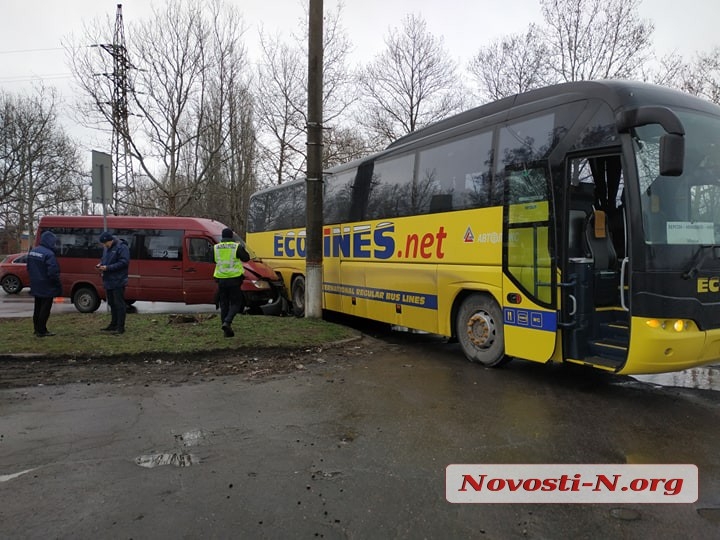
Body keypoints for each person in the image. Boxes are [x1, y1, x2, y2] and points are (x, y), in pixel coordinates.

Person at [213, 227, 250, 337]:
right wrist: (242, 247)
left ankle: (226, 331)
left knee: (223, 304)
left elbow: (213, 259)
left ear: (223, 236)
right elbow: (246, 258)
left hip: (221, 280)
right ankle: (227, 322)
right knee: (236, 303)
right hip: (234, 279)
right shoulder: (236, 247)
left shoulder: (216, 247)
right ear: (231, 236)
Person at [27, 230, 62, 337]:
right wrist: (57, 284)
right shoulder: (49, 254)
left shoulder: (33, 251)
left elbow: (28, 268)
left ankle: (36, 328)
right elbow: (53, 272)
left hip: (35, 284)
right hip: (47, 285)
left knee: (37, 308)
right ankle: (42, 330)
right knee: (45, 309)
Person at [98, 231, 130, 334]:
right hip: (108, 280)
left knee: (119, 304)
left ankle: (120, 327)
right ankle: (113, 324)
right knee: (111, 303)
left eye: (105, 243)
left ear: (110, 240)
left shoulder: (121, 247)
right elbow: (105, 260)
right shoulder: (107, 249)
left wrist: (108, 268)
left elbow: (124, 262)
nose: (104, 246)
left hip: (118, 280)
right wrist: (101, 265)